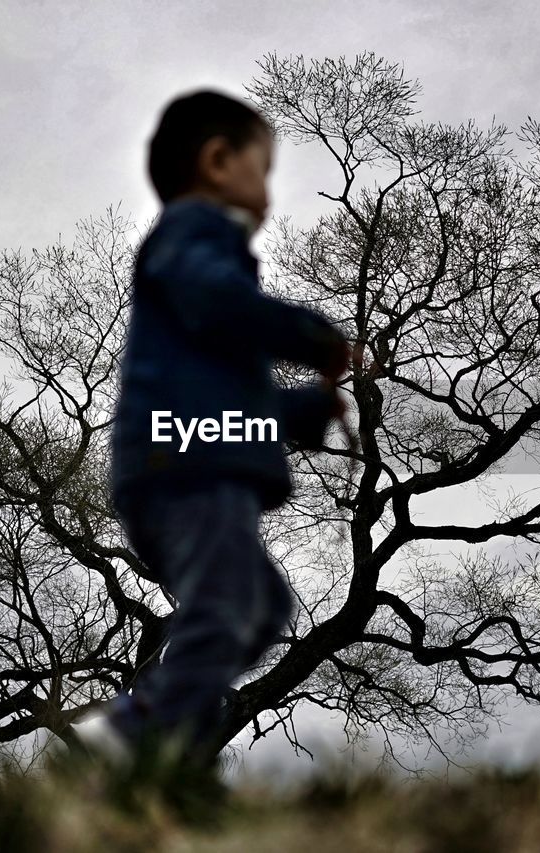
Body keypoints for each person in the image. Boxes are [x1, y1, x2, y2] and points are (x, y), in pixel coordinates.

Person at [93, 88, 360, 778]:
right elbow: (221, 304)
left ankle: (149, 728)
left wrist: (304, 412)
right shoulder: (193, 233)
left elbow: (233, 401)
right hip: (184, 467)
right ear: (218, 161)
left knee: (263, 605)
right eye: (261, 167)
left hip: (193, 457)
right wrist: (311, 335)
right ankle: (142, 749)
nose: (266, 188)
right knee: (226, 602)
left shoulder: (201, 285)